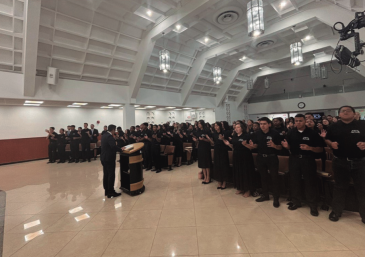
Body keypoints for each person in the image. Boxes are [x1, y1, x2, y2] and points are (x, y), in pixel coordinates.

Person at [325, 105, 365, 224]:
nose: (345, 112)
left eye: (348, 110)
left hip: (360, 162)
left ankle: (363, 214)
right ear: (339, 114)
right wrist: (331, 144)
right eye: (343, 111)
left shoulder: (362, 124)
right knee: (339, 187)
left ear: (354, 113)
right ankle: (336, 211)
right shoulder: (333, 126)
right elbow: (327, 139)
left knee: (362, 189)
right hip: (340, 161)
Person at [282, 114, 323, 216]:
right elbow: (288, 147)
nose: (298, 123)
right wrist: (287, 147)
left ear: (305, 121)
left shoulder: (313, 133)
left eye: (300, 121)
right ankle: (296, 202)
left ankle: (313, 205)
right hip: (294, 159)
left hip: (308, 159)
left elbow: (320, 149)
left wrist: (310, 148)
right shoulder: (290, 132)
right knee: (294, 181)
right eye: (296, 121)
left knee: (310, 182)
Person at [250, 117, 282, 208]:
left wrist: (274, 145)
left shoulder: (275, 133)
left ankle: (276, 197)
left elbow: (280, 147)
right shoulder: (257, 134)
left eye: (264, 124)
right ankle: (265, 195)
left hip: (272, 158)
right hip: (261, 157)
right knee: (263, 177)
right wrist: (252, 146)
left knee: (274, 178)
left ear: (269, 124)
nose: (262, 126)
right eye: (261, 124)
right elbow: (255, 145)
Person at [224, 122, 256, 197]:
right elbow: (233, 147)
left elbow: (251, 148)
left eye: (238, 127)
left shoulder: (247, 136)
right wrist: (228, 144)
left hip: (245, 156)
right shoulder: (234, 136)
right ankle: (241, 187)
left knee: (245, 173)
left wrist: (246, 145)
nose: (236, 129)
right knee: (238, 172)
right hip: (236, 156)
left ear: (242, 128)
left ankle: (248, 189)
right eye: (235, 127)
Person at [101, 124, 125, 198]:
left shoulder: (104, 135)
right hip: (109, 158)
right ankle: (111, 192)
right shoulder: (109, 136)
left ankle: (107, 191)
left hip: (104, 158)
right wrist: (121, 149)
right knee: (111, 174)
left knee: (106, 174)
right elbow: (113, 146)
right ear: (113, 130)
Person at [209, 122, 230, 190]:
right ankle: (219, 181)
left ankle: (224, 182)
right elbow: (213, 142)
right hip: (217, 150)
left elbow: (227, 142)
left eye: (217, 126)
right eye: (215, 126)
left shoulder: (225, 132)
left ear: (220, 126)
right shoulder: (214, 133)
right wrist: (209, 140)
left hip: (223, 150)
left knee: (223, 165)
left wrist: (223, 138)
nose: (216, 127)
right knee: (217, 165)